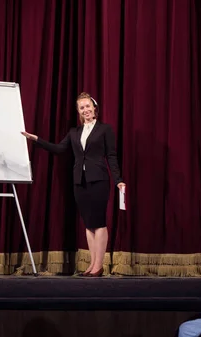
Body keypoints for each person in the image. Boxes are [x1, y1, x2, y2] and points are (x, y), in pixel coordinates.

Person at [21, 92, 125, 277]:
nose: (85, 110)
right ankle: (92, 264)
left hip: (99, 180)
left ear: (94, 108)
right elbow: (60, 149)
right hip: (79, 181)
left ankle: (99, 266)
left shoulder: (105, 129)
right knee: (88, 224)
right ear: (79, 111)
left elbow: (111, 156)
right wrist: (36, 140)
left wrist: (118, 180)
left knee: (99, 222)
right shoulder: (74, 132)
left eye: (88, 106)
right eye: (82, 107)